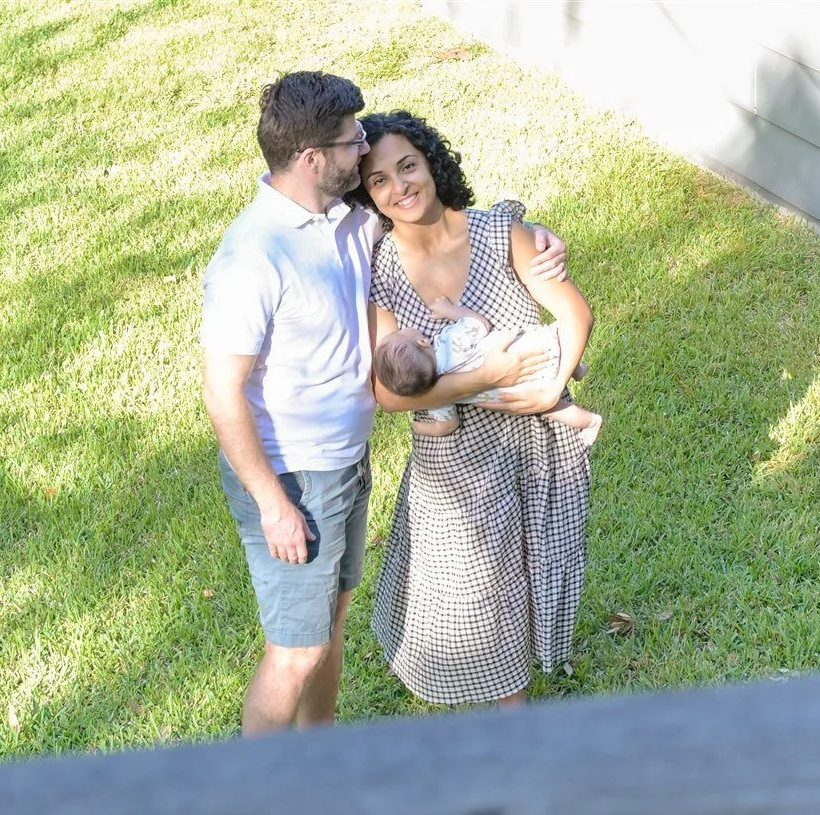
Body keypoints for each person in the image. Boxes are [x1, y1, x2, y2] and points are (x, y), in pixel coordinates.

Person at [199, 73, 565, 735]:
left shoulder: (340, 217)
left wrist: (537, 237)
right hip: (292, 477)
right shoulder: (252, 257)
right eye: (350, 141)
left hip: (342, 465)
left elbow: (435, 215)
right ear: (313, 158)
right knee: (295, 651)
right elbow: (222, 395)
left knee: (329, 627)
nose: (362, 147)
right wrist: (273, 503)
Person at [351, 110, 597, 708]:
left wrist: (549, 388)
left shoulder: (497, 231)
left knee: (533, 580)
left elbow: (573, 314)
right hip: (455, 459)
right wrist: (484, 377)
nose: (399, 186)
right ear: (368, 194)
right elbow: (389, 393)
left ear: (431, 162)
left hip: (536, 446)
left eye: (407, 165)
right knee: (474, 598)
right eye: (378, 179)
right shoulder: (380, 277)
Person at [372, 295, 601, 447]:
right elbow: (479, 323)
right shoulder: (450, 341)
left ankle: (590, 421)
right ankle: (574, 368)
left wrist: (421, 427)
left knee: (551, 409)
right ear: (422, 342)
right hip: (530, 350)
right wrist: (451, 310)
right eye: (401, 332)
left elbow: (447, 426)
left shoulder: (436, 397)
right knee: (556, 336)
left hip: (525, 390)